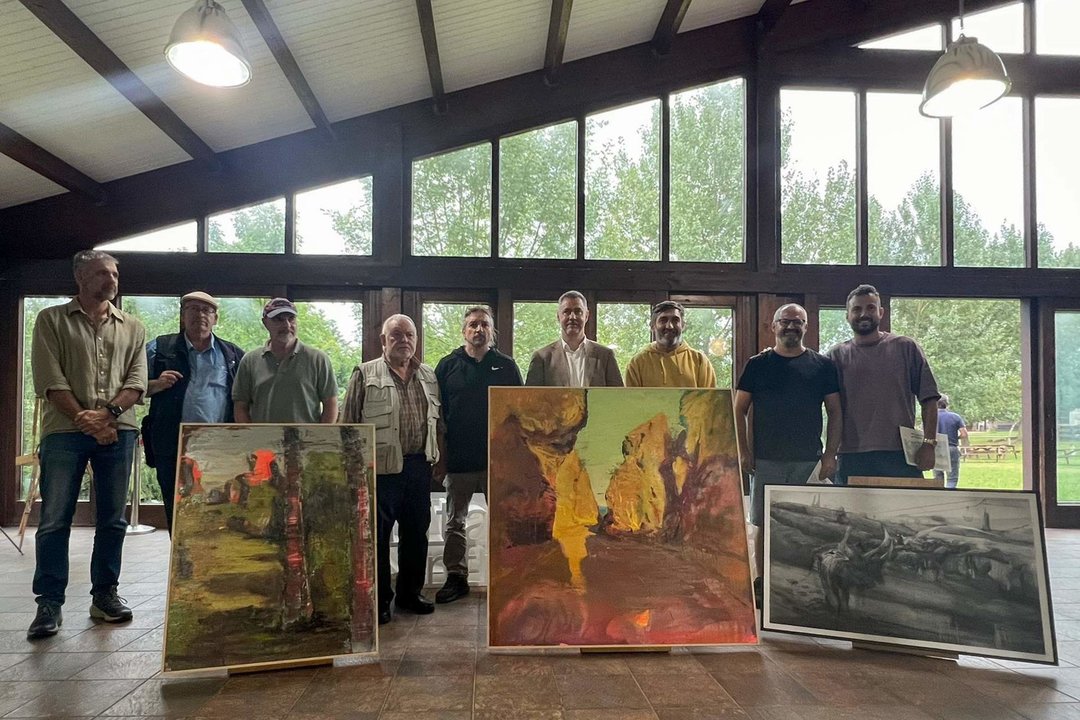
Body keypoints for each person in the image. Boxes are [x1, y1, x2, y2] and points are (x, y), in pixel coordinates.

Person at [27, 250, 147, 640]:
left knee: (113, 519)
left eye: (114, 273)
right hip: (63, 432)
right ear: (80, 277)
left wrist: (107, 415)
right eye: (101, 273)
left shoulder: (133, 327)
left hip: (119, 430)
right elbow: (50, 379)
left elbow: (137, 381)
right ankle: (49, 603)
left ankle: (105, 596)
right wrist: (88, 420)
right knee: (55, 519)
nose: (110, 280)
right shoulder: (51, 320)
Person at [734, 303, 841, 606]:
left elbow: (835, 412)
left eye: (798, 322)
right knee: (762, 523)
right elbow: (738, 409)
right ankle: (762, 582)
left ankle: (809, 580)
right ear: (774, 326)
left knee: (806, 526)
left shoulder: (823, 366)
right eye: (785, 321)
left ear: (806, 327)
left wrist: (830, 455)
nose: (791, 326)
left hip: (809, 461)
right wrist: (744, 451)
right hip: (766, 460)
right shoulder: (757, 364)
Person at [342, 314, 444, 625]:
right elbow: (347, 425)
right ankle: (381, 600)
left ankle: (410, 595)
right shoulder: (365, 374)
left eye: (409, 335)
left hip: (417, 467)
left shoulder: (428, 375)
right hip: (380, 470)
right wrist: (352, 469)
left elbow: (437, 424)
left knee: (417, 534)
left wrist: (439, 460)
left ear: (416, 339)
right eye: (396, 335)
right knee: (379, 538)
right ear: (383, 340)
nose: (404, 340)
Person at [433, 306, 523, 603]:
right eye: (472, 324)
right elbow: (438, 418)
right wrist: (442, 459)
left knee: (504, 520)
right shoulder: (446, 367)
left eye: (484, 324)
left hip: (498, 461)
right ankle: (456, 578)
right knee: (454, 523)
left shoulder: (506, 366)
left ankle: (505, 577)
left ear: (492, 330)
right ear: (464, 331)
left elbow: (518, 414)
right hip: (459, 462)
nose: (478, 329)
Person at [143, 291, 245, 532]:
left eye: (206, 310)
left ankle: (212, 567)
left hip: (218, 447)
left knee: (217, 510)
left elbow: (244, 400)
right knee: (176, 511)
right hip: (172, 445)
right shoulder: (158, 348)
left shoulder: (232, 355)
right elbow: (130, 388)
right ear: (182, 315)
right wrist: (155, 384)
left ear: (215, 318)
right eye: (193, 309)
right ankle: (182, 568)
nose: (200, 315)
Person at [826, 284, 940, 485]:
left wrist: (929, 444)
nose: (864, 314)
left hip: (900, 454)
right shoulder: (836, 356)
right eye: (857, 309)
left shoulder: (906, 347)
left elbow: (929, 399)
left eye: (870, 308)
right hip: (851, 455)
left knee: (903, 515)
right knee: (849, 516)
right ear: (847, 316)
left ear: (881, 312)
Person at [232, 298, 337, 424]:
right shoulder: (249, 361)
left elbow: (330, 404)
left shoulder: (318, 359)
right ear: (265, 323)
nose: (287, 325)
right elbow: (240, 407)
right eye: (278, 319)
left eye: (291, 319)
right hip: (262, 442)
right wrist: (251, 438)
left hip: (305, 442)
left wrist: (320, 440)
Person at [525, 291, 623, 387]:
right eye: (566, 312)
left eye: (578, 311)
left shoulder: (605, 356)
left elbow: (619, 398)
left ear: (586, 316)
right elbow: (531, 400)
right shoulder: (542, 358)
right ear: (558, 316)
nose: (572, 317)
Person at [624, 300, 717, 388]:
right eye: (663, 320)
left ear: (683, 326)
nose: (669, 326)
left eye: (675, 320)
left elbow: (709, 401)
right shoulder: (637, 363)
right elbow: (631, 402)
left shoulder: (699, 361)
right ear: (653, 326)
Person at [935, 394, 968, 489]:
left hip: (936, 449)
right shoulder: (955, 417)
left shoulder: (931, 417)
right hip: (951, 448)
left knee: (938, 477)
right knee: (952, 478)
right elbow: (964, 434)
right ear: (947, 404)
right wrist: (955, 438)